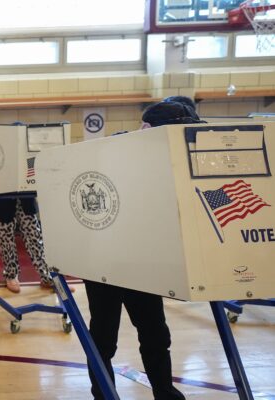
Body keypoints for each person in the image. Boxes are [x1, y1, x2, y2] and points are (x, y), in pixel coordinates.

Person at [85, 101, 202, 400]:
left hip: (141, 258)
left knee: (155, 332)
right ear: (148, 130)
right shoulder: (110, 153)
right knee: (103, 337)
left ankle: (164, 391)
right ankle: (104, 394)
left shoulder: (166, 159)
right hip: (104, 260)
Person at [0, 197, 74, 294]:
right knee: (6, 237)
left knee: (34, 236)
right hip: (3, 195)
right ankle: (11, 275)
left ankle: (47, 277)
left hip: (24, 195)